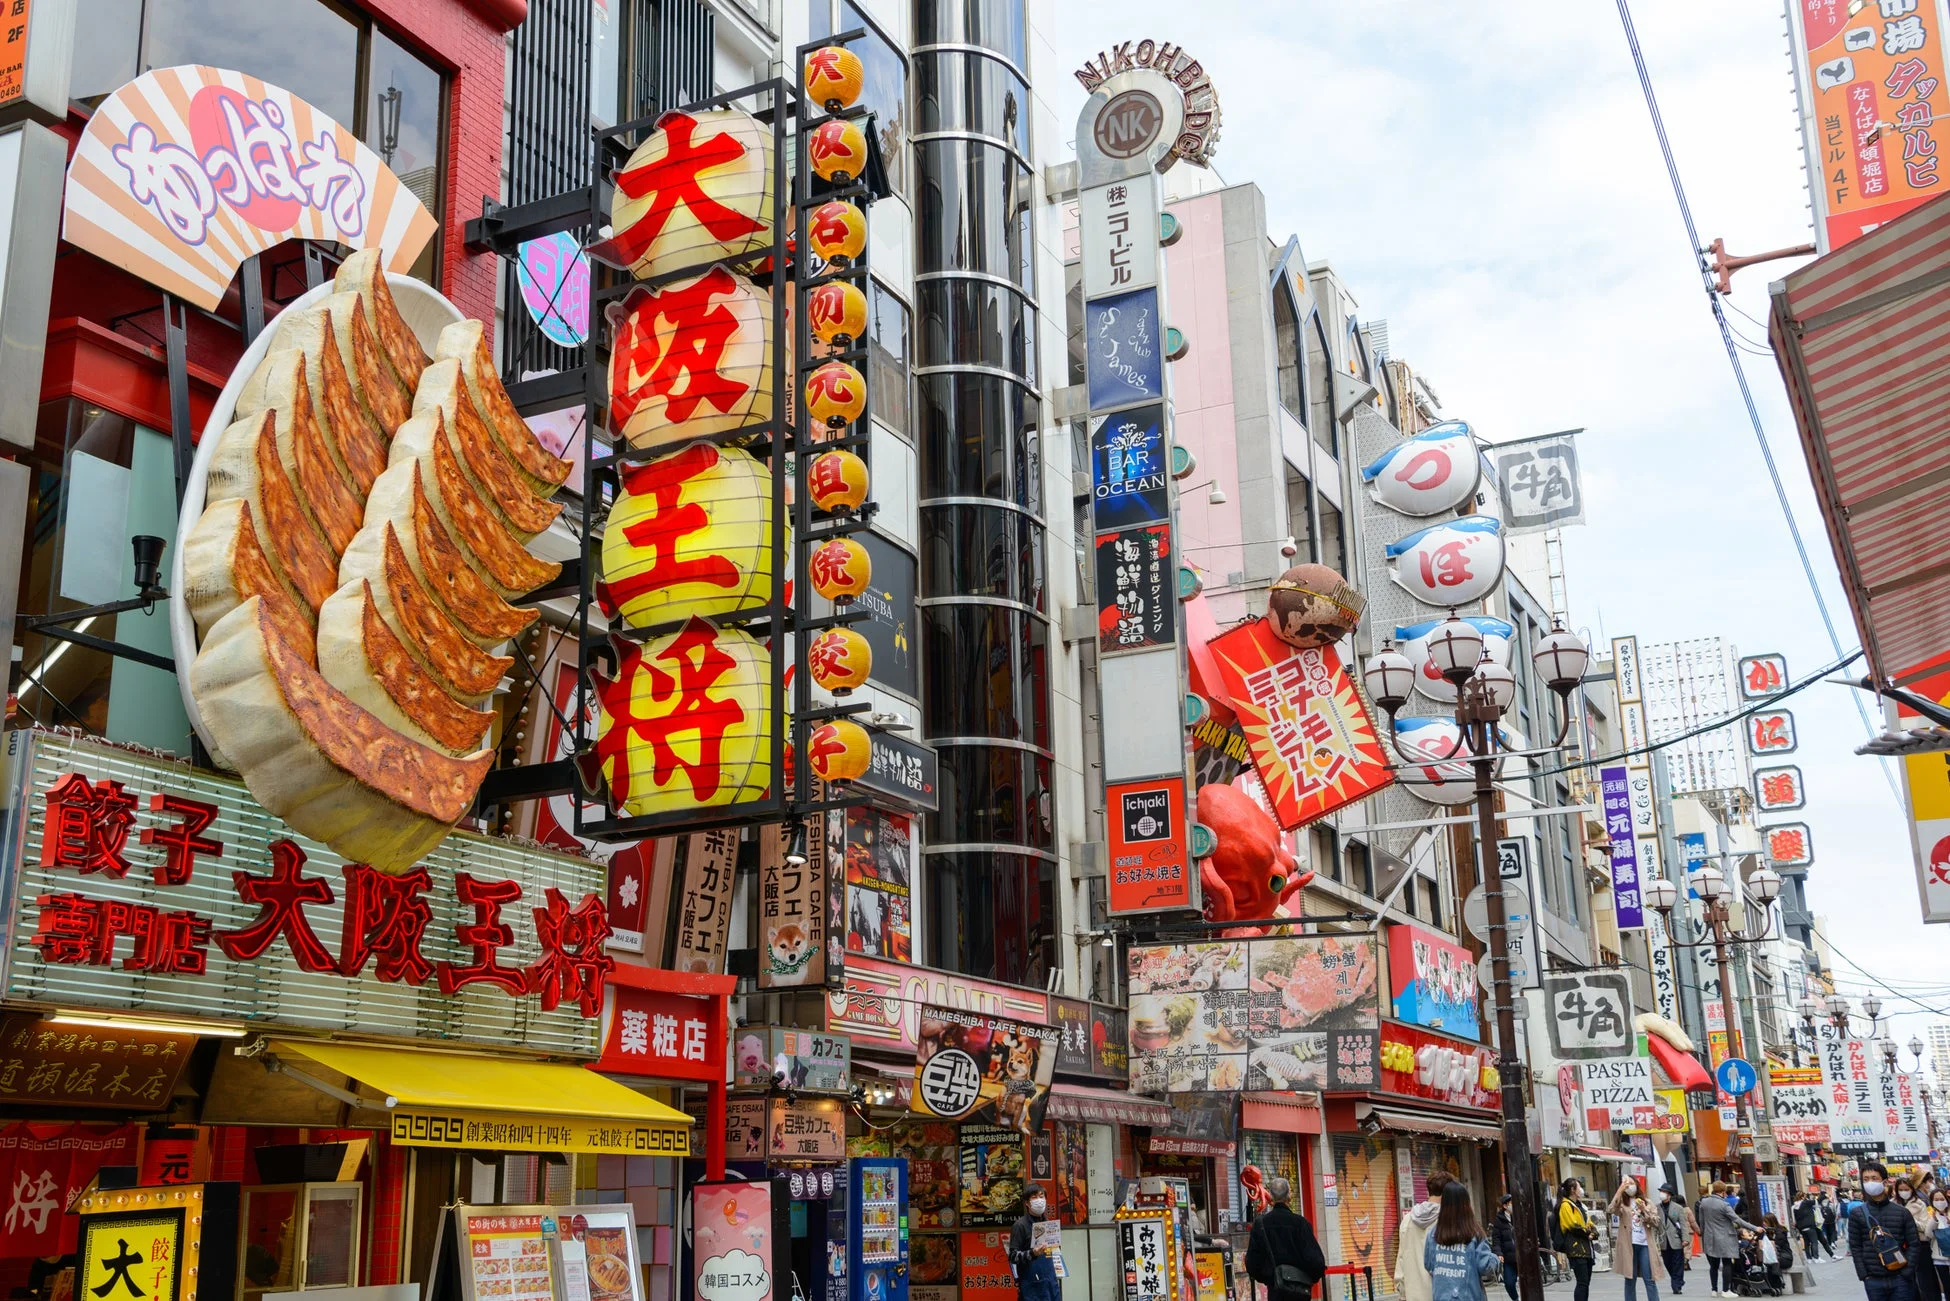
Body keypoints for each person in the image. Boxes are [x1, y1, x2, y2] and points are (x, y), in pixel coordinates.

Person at [1848, 1162, 1923, 1301]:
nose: (1870, 1182)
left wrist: (1907, 1271)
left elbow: (1914, 1243)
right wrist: (1864, 1275)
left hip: (1900, 1277)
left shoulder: (1902, 1212)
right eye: (1866, 1179)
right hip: (1873, 1279)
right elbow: (1855, 1246)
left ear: (1885, 1181)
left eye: (1874, 1178)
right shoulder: (1856, 1214)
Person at [1246, 1176, 1327, 1301]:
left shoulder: (1260, 1224)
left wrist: (1269, 1278)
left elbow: (1252, 1264)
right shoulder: (1301, 1223)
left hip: (1275, 1291)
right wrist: (1307, 1279)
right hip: (1300, 1291)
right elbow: (1317, 1262)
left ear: (1271, 1197)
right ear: (1289, 1196)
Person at [1425, 1182, 1503, 1301]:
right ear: (1466, 1204)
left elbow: (1429, 1265)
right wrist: (1495, 1259)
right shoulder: (1474, 1232)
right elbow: (1485, 1266)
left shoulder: (1434, 1233)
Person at [1700, 1180, 1762, 1298]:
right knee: (1727, 1263)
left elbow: (1702, 1221)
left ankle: (1714, 1289)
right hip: (1724, 1237)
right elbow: (1737, 1220)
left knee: (1713, 1265)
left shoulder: (1704, 1202)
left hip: (1709, 1236)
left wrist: (1703, 1233)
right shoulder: (1724, 1205)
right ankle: (1725, 1290)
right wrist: (1755, 1228)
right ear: (1723, 1192)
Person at [1398, 1172, 1454, 1301]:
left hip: (1414, 1294)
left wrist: (1402, 1293)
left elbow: (1401, 1259)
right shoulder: (1449, 1220)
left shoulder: (1407, 1220)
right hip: (1443, 1294)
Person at [1612, 1179, 1668, 1301]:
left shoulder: (1647, 1202)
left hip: (1645, 1244)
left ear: (1637, 1185)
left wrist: (1644, 1209)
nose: (1630, 1187)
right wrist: (1619, 1191)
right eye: (1627, 1184)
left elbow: (1656, 1222)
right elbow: (1612, 1209)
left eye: (1631, 1184)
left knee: (1650, 1278)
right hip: (1629, 1245)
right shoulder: (1623, 1203)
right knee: (1630, 1279)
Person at [1007, 1184, 1061, 1301]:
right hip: (1031, 1287)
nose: (1039, 1200)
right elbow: (1012, 1256)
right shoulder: (1020, 1226)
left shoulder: (1049, 1224)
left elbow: (1054, 1252)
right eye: (1034, 1197)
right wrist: (1032, 1253)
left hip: (1050, 1283)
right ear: (1027, 1203)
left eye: (1041, 1196)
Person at [1558, 1177, 1597, 1301]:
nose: (1581, 1189)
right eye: (1579, 1187)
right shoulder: (1565, 1205)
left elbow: (1589, 1223)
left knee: (1586, 1282)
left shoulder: (1580, 1205)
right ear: (1572, 1189)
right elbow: (1572, 1225)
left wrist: (1593, 1232)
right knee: (1582, 1282)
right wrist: (1588, 1233)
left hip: (1586, 1248)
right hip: (1576, 1248)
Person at [1661, 1189, 1700, 1292]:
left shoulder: (1678, 1208)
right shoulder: (1658, 1207)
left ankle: (1676, 1285)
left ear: (1669, 1195)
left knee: (1678, 1262)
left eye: (1663, 1192)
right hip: (1664, 1240)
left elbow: (1684, 1224)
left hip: (1678, 1237)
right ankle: (1678, 1279)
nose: (1661, 1194)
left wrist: (1686, 1238)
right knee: (1667, 1262)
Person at [1923, 1187, 1950, 1300]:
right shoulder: (1930, 1215)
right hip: (1940, 1258)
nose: (1939, 1202)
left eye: (1942, 1199)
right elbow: (1928, 1235)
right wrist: (1934, 1220)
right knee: (1947, 1287)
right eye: (1936, 1199)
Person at [1491, 1195, 1519, 1301]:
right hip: (1509, 1258)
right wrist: (1498, 1253)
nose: (1513, 1205)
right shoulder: (1499, 1220)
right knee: (1509, 1283)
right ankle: (1515, 1299)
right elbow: (1496, 1239)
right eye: (1511, 1203)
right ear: (1505, 1206)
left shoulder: (1519, 1216)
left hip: (1522, 1257)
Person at [1761, 1215, 1796, 1292]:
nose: (1763, 1223)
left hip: (1785, 1258)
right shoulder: (1767, 1231)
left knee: (1771, 1263)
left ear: (1771, 1221)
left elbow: (1776, 1245)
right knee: (1768, 1262)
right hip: (1776, 1257)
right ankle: (1772, 1286)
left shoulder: (1780, 1232)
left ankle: (1776, 1285)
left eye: (1765, 1222)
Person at [1798, 1190, 1828, 1262]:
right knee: (1814, 1242)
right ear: (1803, 1197)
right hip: (1809, 1225)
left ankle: (1809, 1258)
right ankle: (1816, 1257)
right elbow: (1816, 1201)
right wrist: (1824, 1196)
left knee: (1806, 1243)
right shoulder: (1805, 1203)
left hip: (1801, 1227)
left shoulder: (1795, 1206)